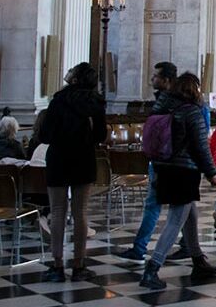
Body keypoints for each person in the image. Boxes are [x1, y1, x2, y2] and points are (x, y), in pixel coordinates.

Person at [139, 72, 216, 290]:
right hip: (183, 171)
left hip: (161, 167)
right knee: (175, 221)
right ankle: (152, 269)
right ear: (194, 90)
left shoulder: (162, 108)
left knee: (190, 214)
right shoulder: (191, 112)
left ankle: (198, 261)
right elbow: (200, 146)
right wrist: (212, 173)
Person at [38, 62, 107, 282]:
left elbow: (45, 135)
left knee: (58, 212)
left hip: (58, 158)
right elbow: (101, 135)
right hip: (83, 158)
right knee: (81, 213)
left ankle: (57, 265)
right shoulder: (95, 103)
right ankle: (79, 265)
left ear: (75, 78)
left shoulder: (58, 101)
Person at [118, 61, 178, 261]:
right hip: (168, 160)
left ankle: (143, 250)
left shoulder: (167, 102)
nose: (152, 79)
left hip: (165, 160)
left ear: (166, 80)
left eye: (156, 76)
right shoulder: (169, 100)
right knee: (180, 207)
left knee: (160, 206)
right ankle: (189, 248)